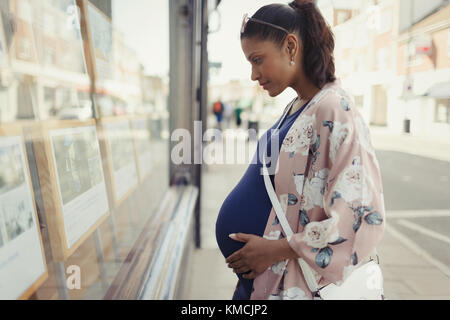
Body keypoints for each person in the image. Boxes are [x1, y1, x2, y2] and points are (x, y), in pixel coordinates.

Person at [215, 0, 385, 300]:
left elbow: (360, 214)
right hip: (264, 281)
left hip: (298, 283)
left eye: (257, 59)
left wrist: (275, 249)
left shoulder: (334, 108)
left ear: (291, 47)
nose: (254, 75)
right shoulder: (296, 106)